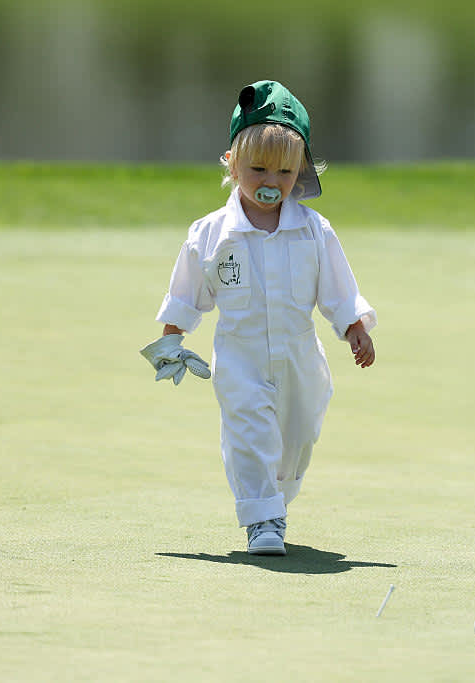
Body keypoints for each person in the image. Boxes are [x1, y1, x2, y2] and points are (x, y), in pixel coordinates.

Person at [141, 80, 377, 556]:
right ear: (231, 164)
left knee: (299, 434)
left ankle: (276, 498)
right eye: (258, 168)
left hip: (298, 357)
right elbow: (189, 290)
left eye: (286, 171)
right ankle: (262, 517)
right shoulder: (211, 234)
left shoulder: (313, 230)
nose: (272, 180)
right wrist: (171, 338)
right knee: (250, 431)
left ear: (302, 171)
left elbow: (336, 286)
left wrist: (354, 326)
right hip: (241, 357)